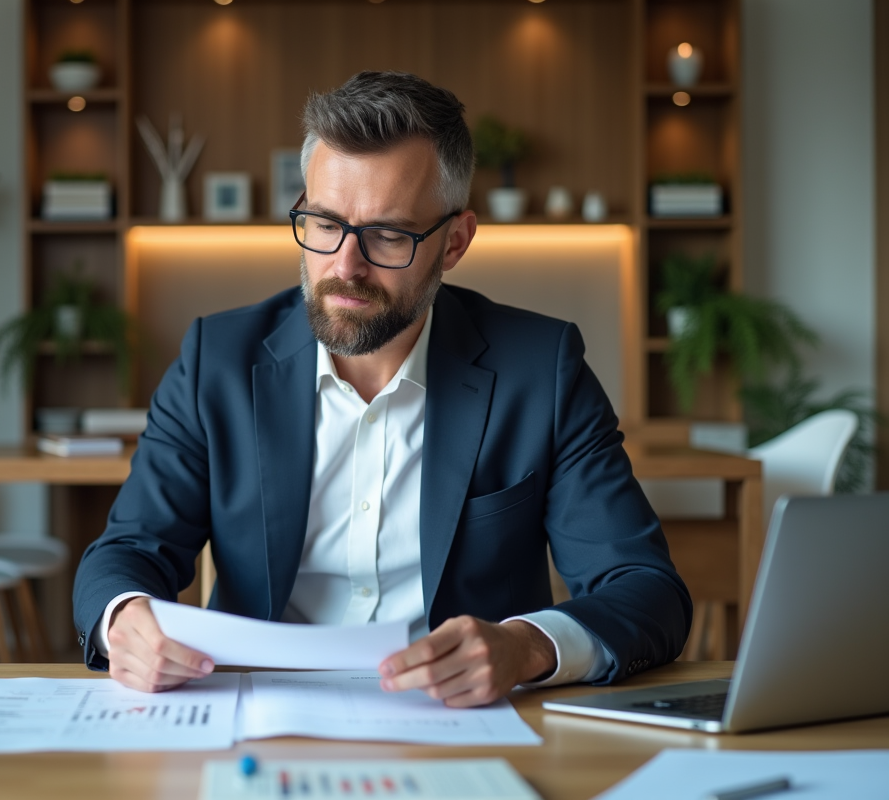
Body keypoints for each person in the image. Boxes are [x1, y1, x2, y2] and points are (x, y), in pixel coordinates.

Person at [73, 71, 691, 707]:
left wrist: (526, 646)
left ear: (455, 242)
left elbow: (646, 589)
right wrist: (124, 618)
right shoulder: (217, 361)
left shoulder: (541, 369)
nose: (345, 266)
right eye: (323, 224)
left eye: (388, 235)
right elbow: (126, 552)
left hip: (463, 728)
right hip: (253, 716)